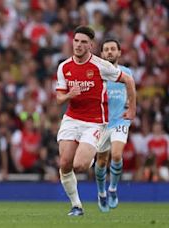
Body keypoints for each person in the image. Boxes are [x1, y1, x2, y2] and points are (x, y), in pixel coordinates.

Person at [55, 26, 136, 216]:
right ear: (72, 42)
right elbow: (59, 97)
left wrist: (131, 108)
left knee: (80, 166)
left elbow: (129, 81)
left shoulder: (101, 66)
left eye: (84, 42)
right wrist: (69, 95)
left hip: (94, 122)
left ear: (90, 45)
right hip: (71, 119)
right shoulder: (64, 66)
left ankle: (90, 153)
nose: (79, 45)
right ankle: (76, 206)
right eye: (76, 41)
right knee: (65, 164)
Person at [94, 38, 134, 212]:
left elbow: (132, 91)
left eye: (112, 49)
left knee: (116, 155)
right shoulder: (97, 73)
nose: (109, 52)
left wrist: (132, 108)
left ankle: (113, 189)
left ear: (119, 53)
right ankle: (101, 192)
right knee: (101, 160)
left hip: (120, 120)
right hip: (101, 122)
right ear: (102, 54)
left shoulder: (126, 73)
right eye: (106, 50)